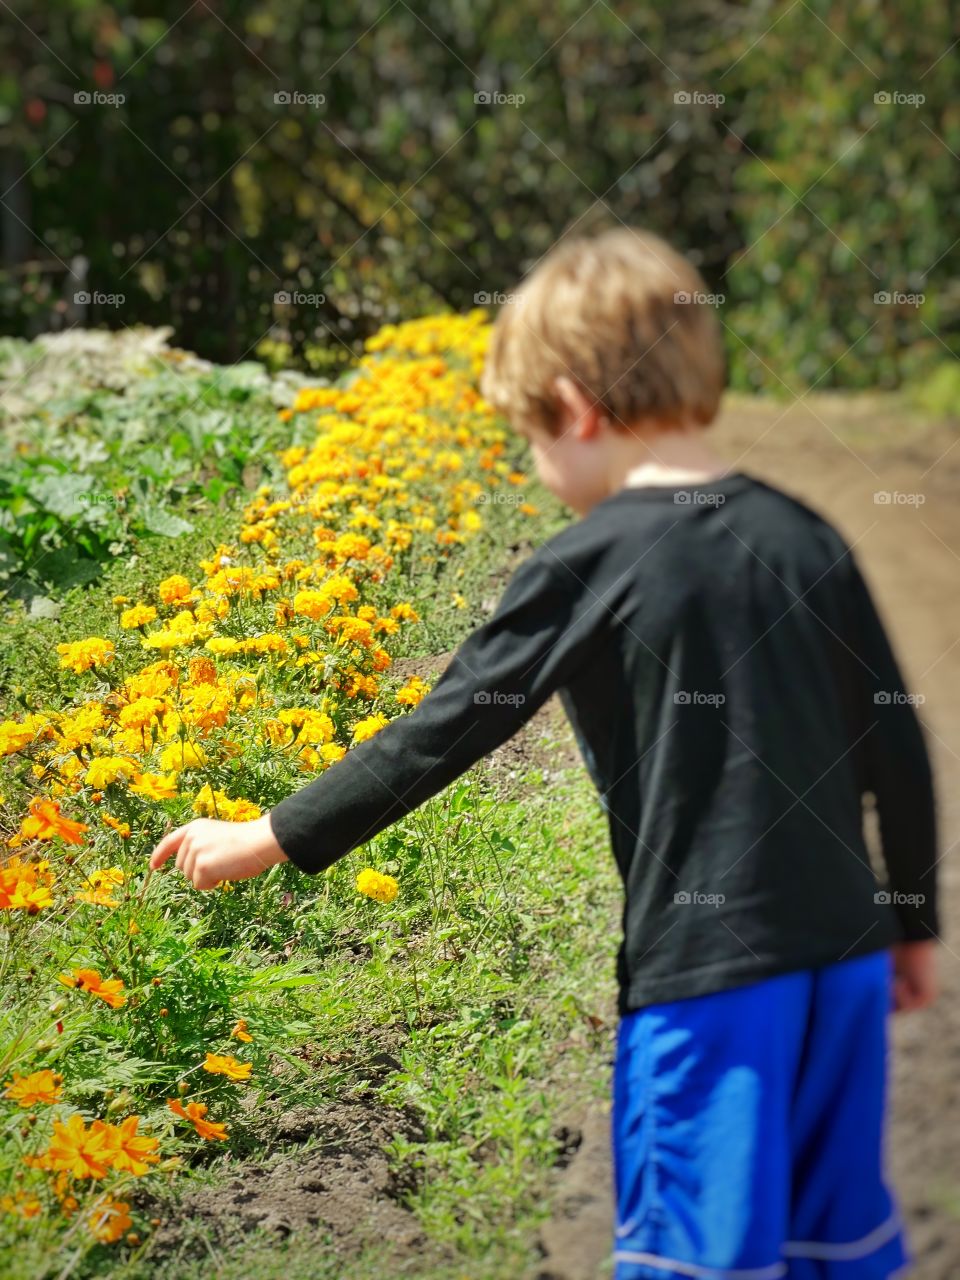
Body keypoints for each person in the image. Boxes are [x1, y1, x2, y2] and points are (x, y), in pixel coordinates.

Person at [149, 226, 939, 1278]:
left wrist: (271, 834)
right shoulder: (808, 533)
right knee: (835, 1244)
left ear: (573, 407)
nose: (535, 464)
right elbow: (900, 738)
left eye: (528, 434)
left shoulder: (590, 559)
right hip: (845, 960)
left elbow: (453, 721)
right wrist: (913, 918)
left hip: (708, 984)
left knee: (699, 1256)